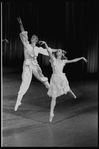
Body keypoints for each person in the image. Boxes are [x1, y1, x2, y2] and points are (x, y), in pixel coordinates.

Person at [14, 17, 59, 111]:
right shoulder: (27, 44)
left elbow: (49, 50)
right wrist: (21, 23)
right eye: (32, 37)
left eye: (34, 37)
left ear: (37, 40)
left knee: (42, 77)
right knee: (25, 82)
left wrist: (59, 50)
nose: (32, 37)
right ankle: (18, 100)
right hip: (27, 65)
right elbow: (23, 33)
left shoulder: (38, 49)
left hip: (35, 65)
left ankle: (51, 89)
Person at [40, 41, 88, 122]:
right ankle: (51, 113)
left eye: (59, 51)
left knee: (67, 88)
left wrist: (82, 58)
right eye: (57, 51)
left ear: (62, 54)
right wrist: (45, 43)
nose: (58, 51)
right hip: (55, 79)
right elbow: (49, 51)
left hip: (62, 78)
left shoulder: (63, 61)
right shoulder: (53, 59)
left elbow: (73, 60)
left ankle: (72, 93)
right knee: (53, 97)